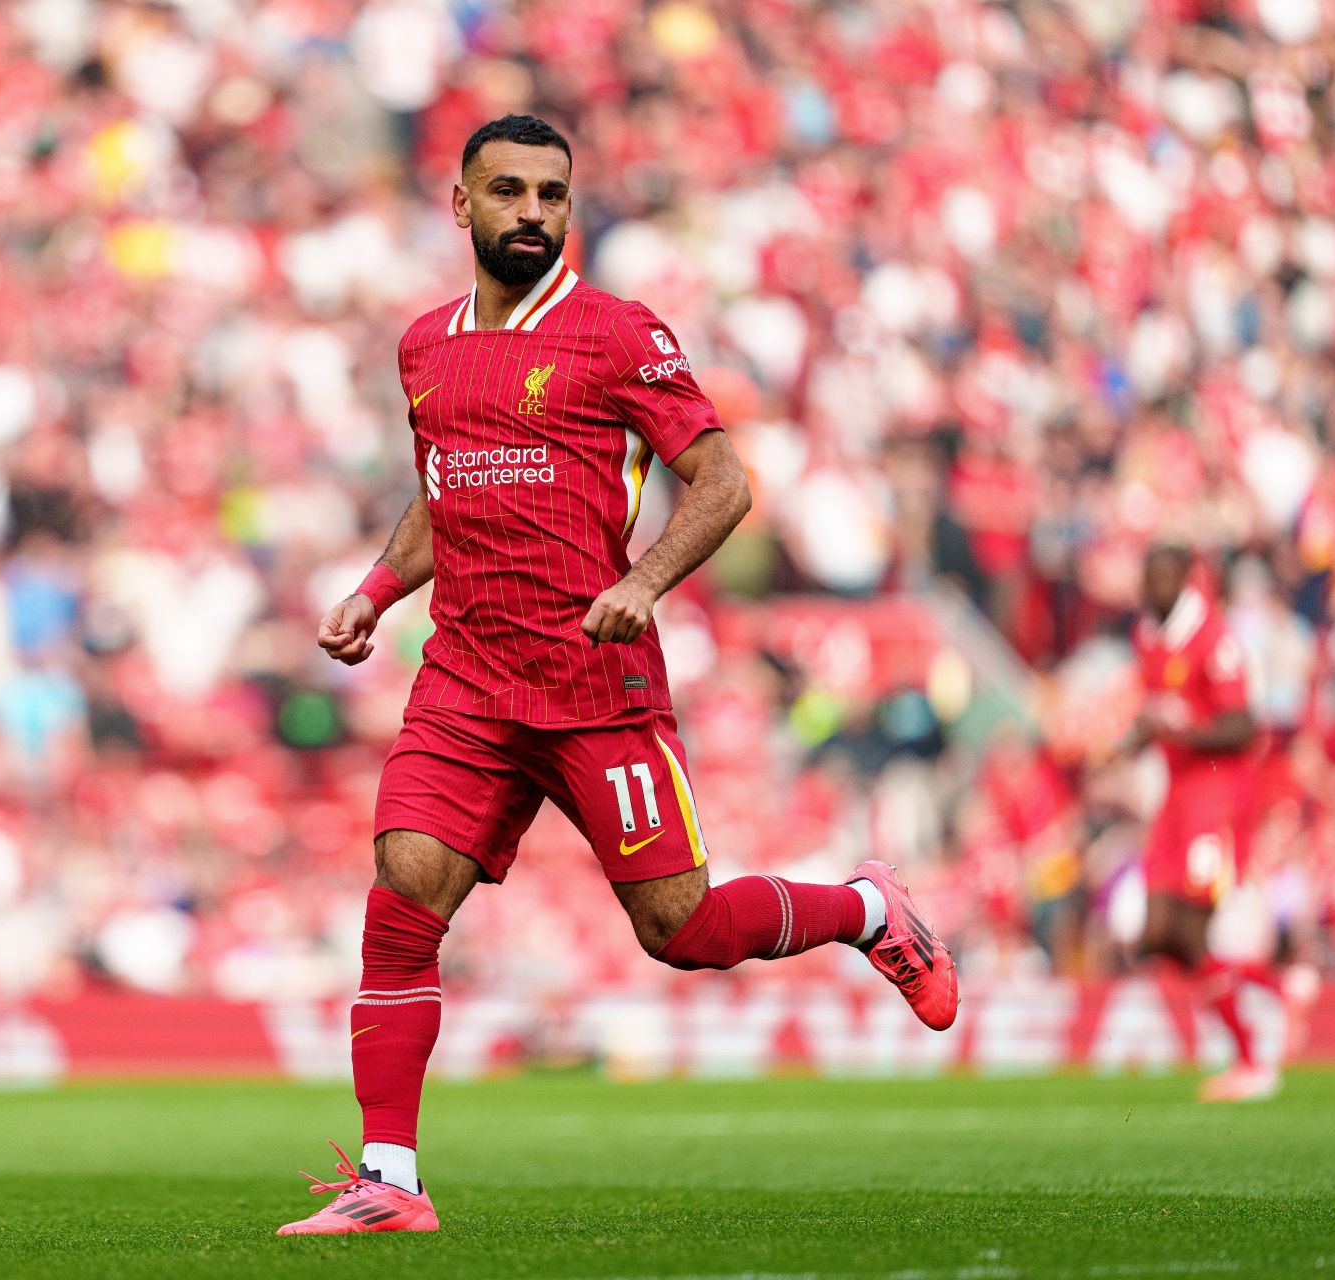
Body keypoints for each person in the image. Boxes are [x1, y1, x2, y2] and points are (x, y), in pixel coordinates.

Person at [278, 115, 959, 1237]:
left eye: (553, 193)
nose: (534, 213)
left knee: (679, 928)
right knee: (403, 891)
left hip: (597, 683)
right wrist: (373, 588)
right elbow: (443, 490)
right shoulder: (425, 347)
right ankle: (390, 1179)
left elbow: (723, 480)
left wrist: (644, 580)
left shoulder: (617, 334)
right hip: (465, 678)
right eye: (508, 191)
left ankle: (870, 908)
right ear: (462, 206)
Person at [1127, 541, 1279, 1102]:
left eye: (1167, 577)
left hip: (1218, 790)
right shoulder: (1147, 635)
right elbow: (1161, 709)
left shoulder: (1215, 638)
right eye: (1150, 577)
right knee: (1155, 935)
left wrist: (1173, 736)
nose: (1157, 588)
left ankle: (1250, 1060)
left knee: (1190, 928)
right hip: (1175, 795)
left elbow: (1244, 725)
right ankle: (1281, 991)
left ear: (1188, 580)